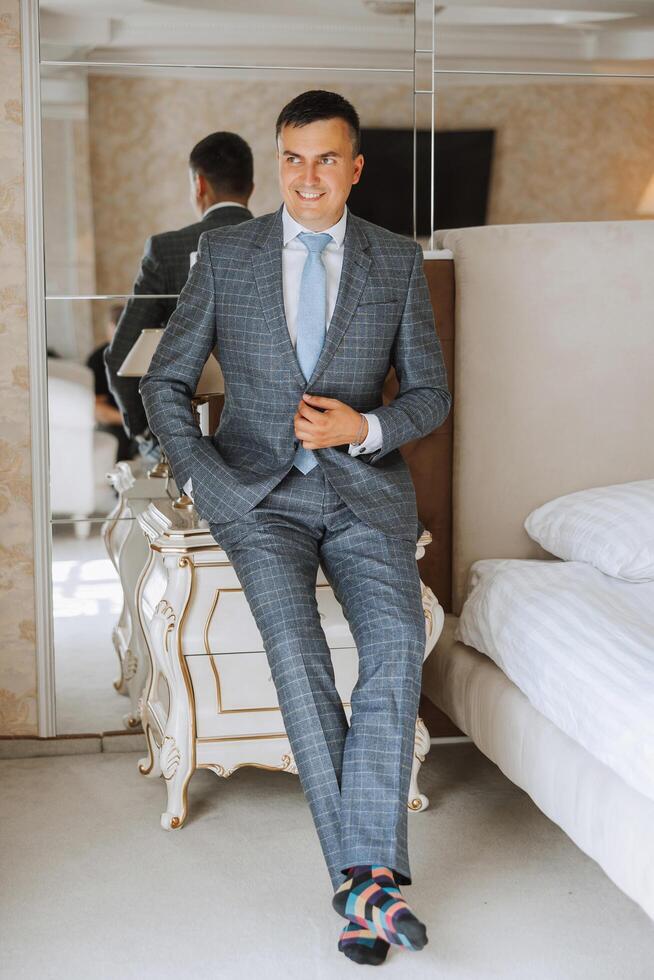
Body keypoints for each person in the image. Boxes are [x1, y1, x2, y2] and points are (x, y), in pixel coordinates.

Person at [139, 90, 451, 967]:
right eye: (292, 159)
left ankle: (363, 888)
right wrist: (208, 482)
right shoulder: (226, 252)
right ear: (277, 163)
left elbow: (430, 391)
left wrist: (365, 429)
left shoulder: (395, 260)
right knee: (298, 653)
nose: (307, 177)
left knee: (394, 647)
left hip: (365, 495)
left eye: (326, 160)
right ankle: (371, 881)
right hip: (256, 496)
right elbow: (164, 382)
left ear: (354, 167)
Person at [104, 131, 255, 448]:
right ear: (250, 189)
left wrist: (147, 432)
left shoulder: (167, 249)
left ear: (199, 185)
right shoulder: (283, 245)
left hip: (187, 433)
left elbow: (121, 354)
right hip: (268, 437)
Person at [86, 303, 136, 462]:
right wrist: (131, 422)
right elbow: (97, 409)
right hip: (116, 425)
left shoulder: (142, 354)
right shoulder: (98, 360)